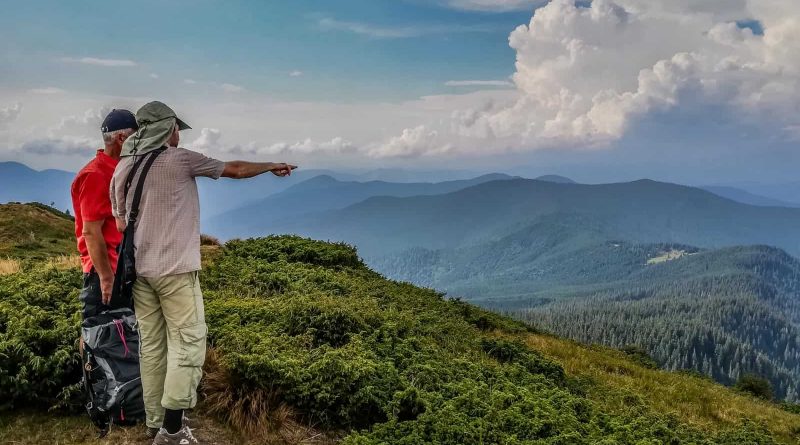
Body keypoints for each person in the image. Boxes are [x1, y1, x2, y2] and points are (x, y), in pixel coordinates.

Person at [110, 101, 296, 445]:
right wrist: (271, 165)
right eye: (175, 128)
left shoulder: (123, 167)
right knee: (188, 342)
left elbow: (121, 223)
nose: (178, 134)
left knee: (152, 346)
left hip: (140, 273)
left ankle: (155, 422)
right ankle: (172, 430)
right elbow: (234, 169)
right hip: (176, 270)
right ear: (166, 129)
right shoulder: (180, 159)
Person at [71, 109, 138, 319]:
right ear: (121, 138)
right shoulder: (96, 175)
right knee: (101, 331)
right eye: (136, 136)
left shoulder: (118, 169)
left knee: (123, 332)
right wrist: (106, 277)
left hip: (122, 269)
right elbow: (91, 231)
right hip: (106, 272)